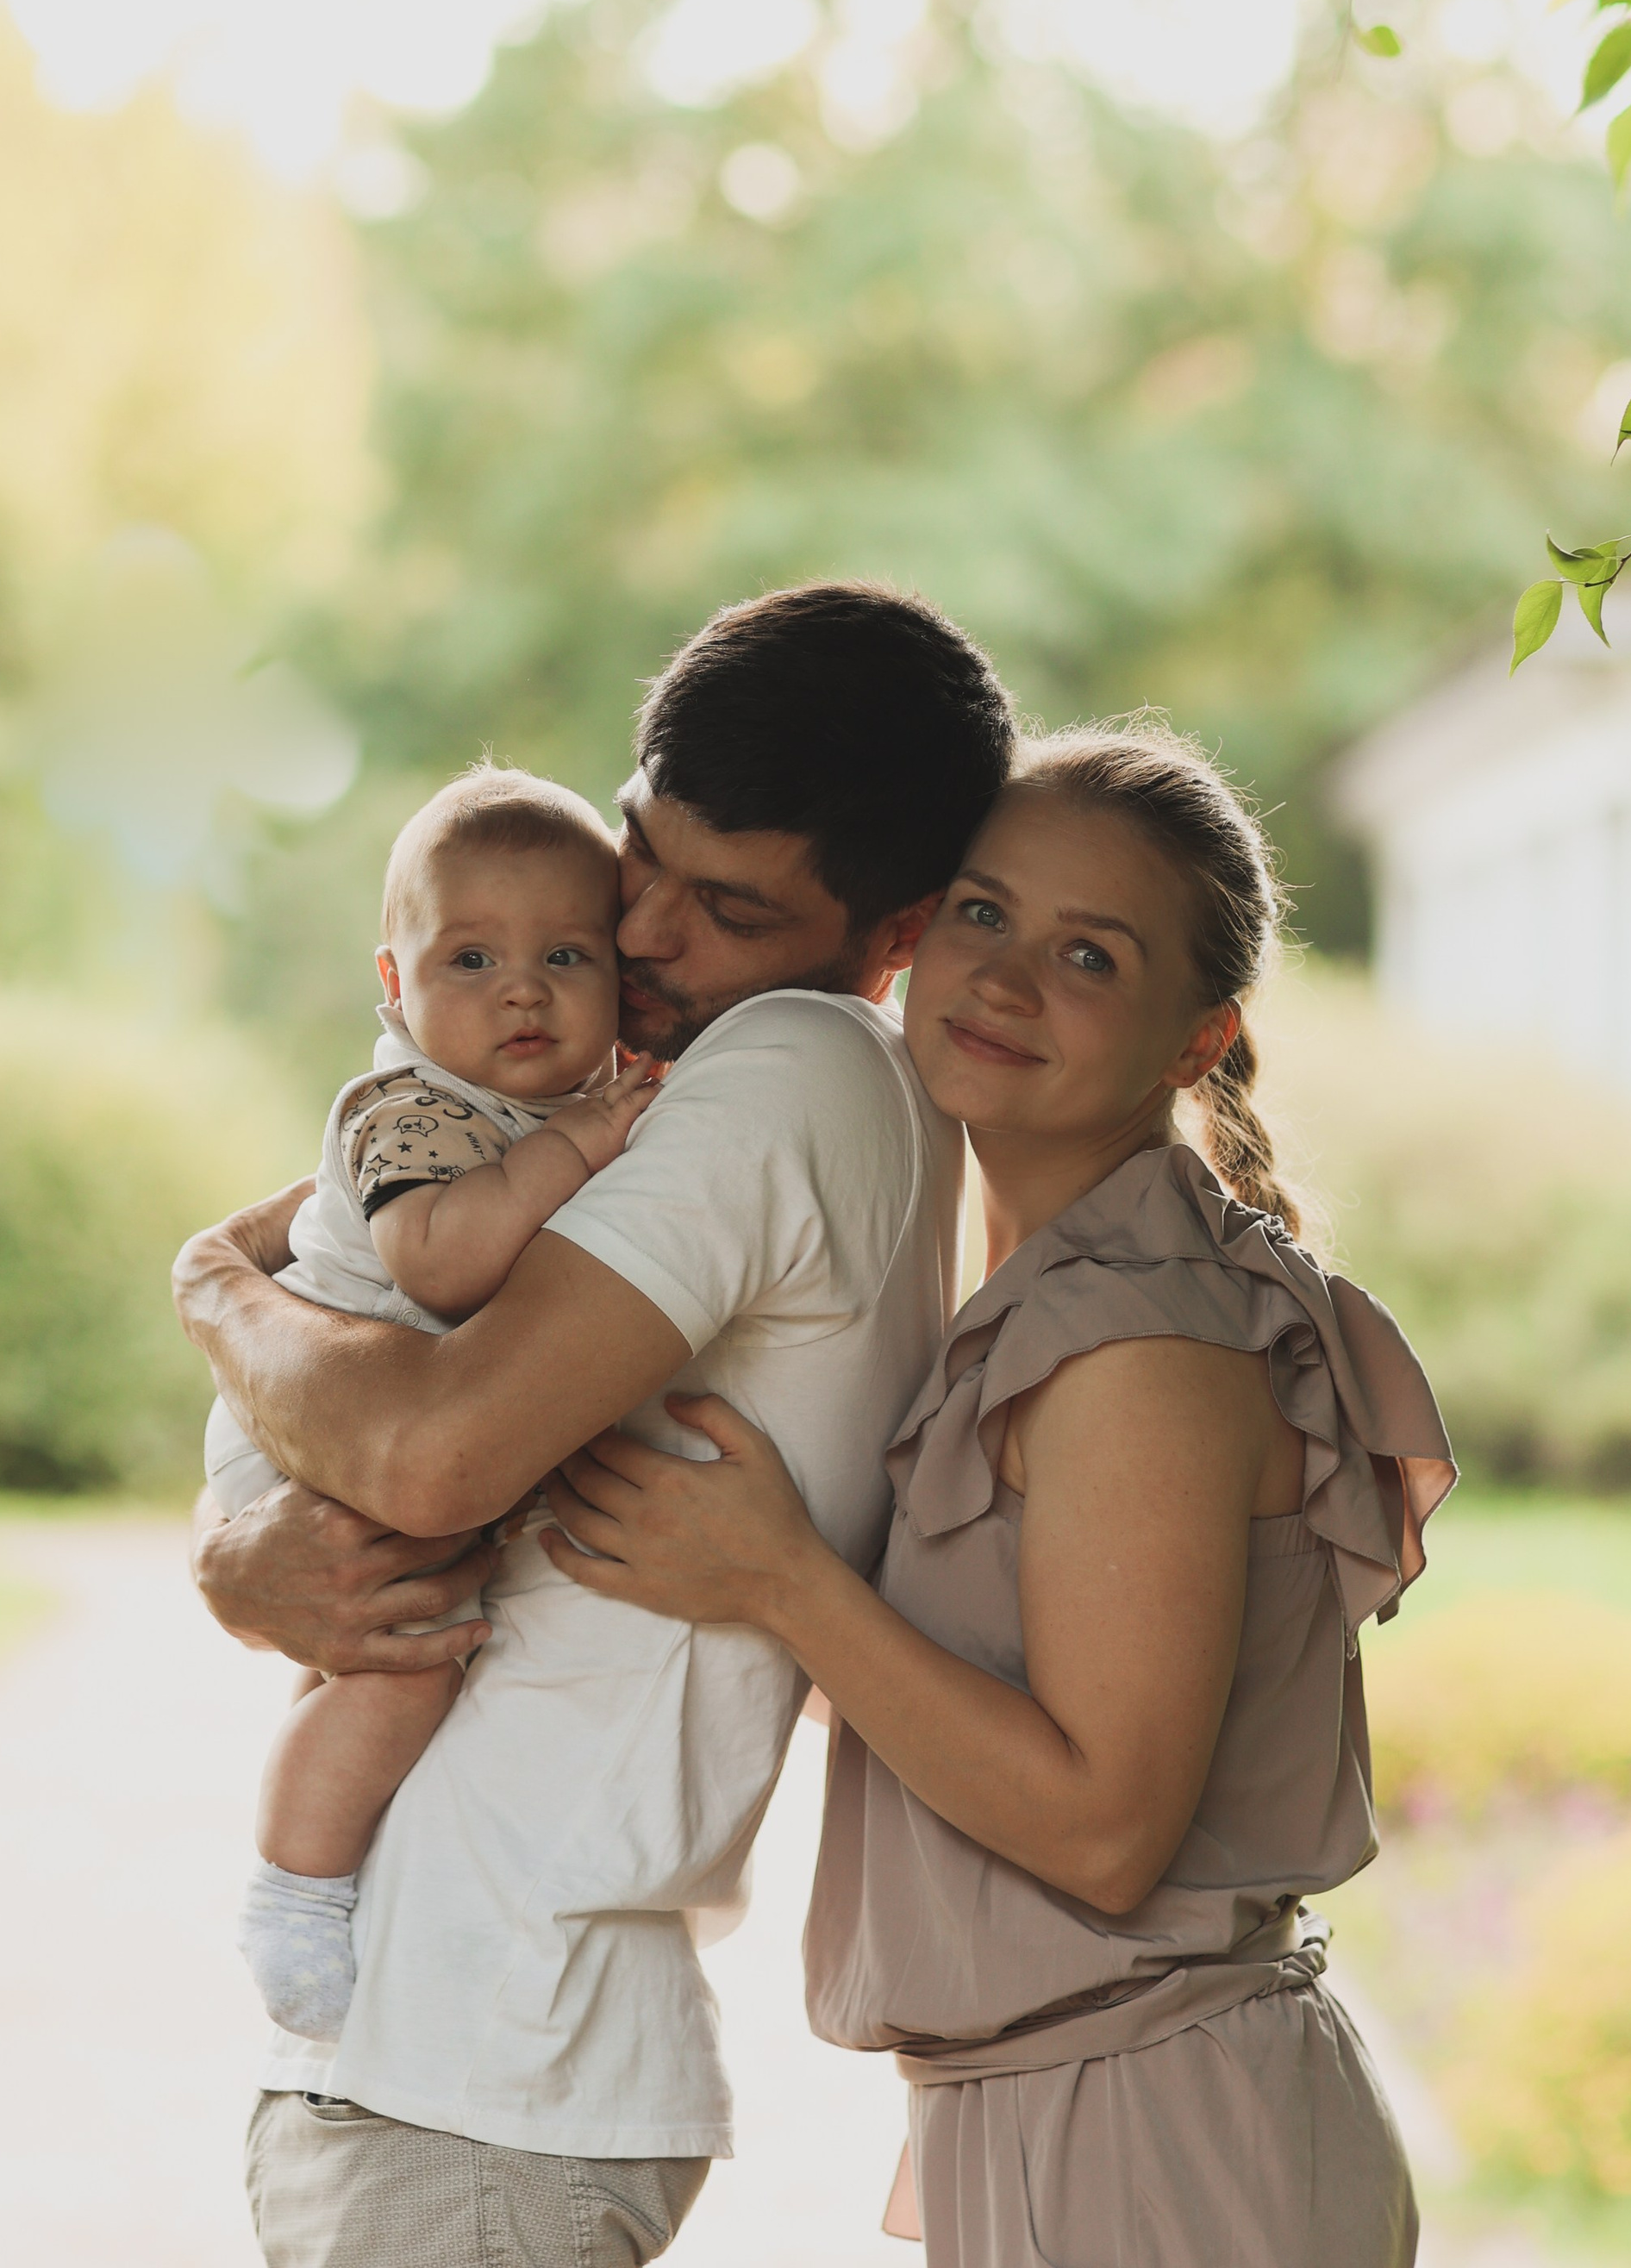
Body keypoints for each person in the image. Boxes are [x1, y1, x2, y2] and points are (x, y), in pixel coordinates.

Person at [175, 582, 1018, 2267]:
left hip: (491, 2072)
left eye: (727, 908)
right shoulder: (640, 1078)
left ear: (898, 930)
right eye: (641, 859)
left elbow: (426, 1452)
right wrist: (237, 1547)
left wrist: (209, 1291)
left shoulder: (787, 1065)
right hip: (463, 2064)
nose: (636, 939)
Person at [542, 722, 1456, 2268]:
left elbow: (1104, 1828)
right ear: (911, 939)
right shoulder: (1043, 1291)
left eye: (1090, 956)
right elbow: (975, 1711)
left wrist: (783, 1580)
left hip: (1160, 2140)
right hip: (1095, 2114)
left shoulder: (1139, 1343)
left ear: (1197, 1037)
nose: (1008, 979)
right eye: (982, 912)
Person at [209, 766, 661, 2045]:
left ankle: (310, 1851)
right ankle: (296, 1889)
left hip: (367, 1424)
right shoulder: (403, 1110)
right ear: (395, 986)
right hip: (304, 1433)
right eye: (470, 957)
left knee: (387, 1653)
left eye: (566, 953)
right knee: (408, 1662)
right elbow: (443, 1263)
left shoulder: (541, 1101)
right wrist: (574, 1149)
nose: (523, 987)